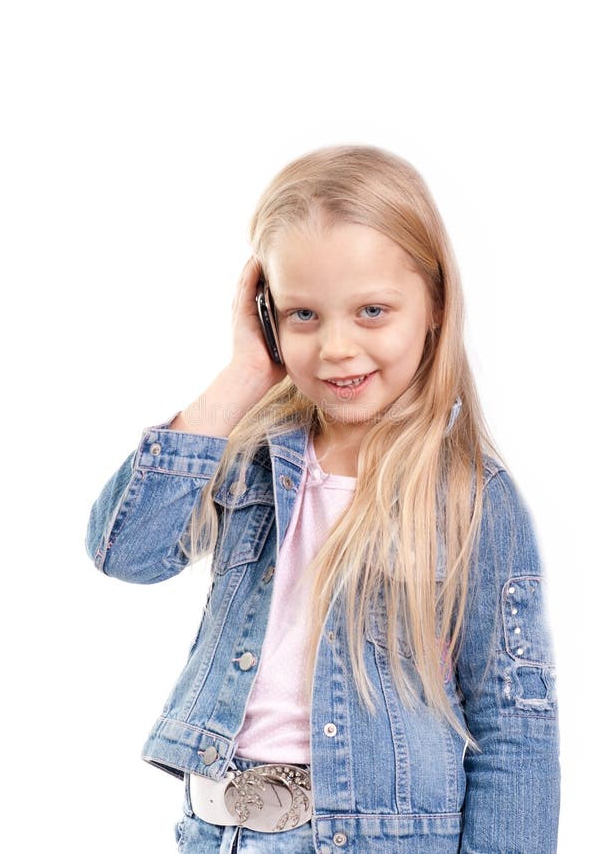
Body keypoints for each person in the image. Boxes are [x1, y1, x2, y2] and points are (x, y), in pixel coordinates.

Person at [85, 144, 560, 853]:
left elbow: (515, 726)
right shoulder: (249, 459)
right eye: (303, 314)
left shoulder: (472, 496)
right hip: (219, 834)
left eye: (372, 311)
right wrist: (244, 374)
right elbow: (125, 551)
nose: (337, 346)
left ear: (435, 305)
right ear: (266, 314)